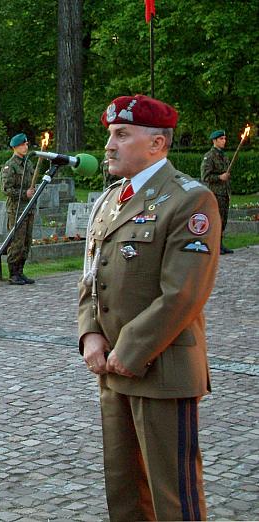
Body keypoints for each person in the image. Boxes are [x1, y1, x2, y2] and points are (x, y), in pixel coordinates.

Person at [79, 94, 220, 521]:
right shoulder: (110, 199)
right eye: (110, 135)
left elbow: (184, 294)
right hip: (111, 367)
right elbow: (91, 276)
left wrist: (130, 350)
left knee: (173, 495)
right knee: (124, 489)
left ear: (157, 144)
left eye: (122, 135)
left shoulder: (189, 200)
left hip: (161, 369)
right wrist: (90, 332)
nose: (109, 145)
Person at [1, 133, 36, 285]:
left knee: (26, 242)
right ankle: (13, 273)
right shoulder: (10, 166)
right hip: (16, 210)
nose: (25, 147)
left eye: (26, 144)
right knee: (17, 242)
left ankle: (20, 271)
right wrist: (24, 194)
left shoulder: (28, 164)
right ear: (15, 147)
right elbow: (6, 189)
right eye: (22, 145)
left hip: (29, 208)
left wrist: (33, 191)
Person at [200, 129, 233, 254]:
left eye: (225, 138)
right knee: (216, 220)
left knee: (223, 220)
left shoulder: (224, 155)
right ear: (214, 140)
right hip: (215, 193)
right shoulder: (209, 156)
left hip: (224, 193)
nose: (224, 141)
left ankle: (220, 244)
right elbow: (205, 176)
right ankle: (214, 245)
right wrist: (220, 177)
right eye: (221, 139)